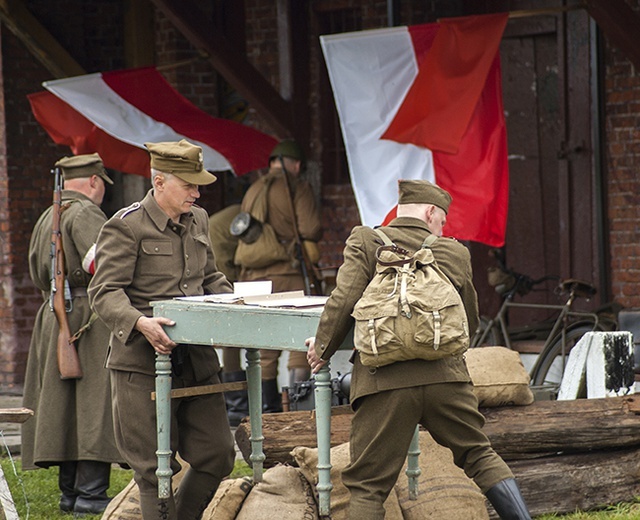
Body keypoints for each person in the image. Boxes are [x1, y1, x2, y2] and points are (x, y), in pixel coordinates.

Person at [305, 180, 532, 520]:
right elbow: (468, 323)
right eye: (442, 222)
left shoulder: (366, 241)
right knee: (479, 455)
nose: (442, 230)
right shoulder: (454, 252)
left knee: (367, 484)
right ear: (430, 213)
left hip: (384, 382)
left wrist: (322, 348)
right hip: (446, 381)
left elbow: (344, 300)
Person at [88, 140, 236, 520]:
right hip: (142, 363)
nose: (196, 192)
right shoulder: (126, 226)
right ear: (159, 182)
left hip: (197, 360)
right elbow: (104, 292)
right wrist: (139, 322)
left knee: (218, 454)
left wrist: (237, 304)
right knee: (156, 472)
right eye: (188, 185)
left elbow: (211, 277)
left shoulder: (199, 219)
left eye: (197, 185)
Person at [22, 153, 123, 515]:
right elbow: (104, 263)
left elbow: (36, 271)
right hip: (84, 318)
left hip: (54, 316)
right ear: (95, 181)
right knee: (94, 407)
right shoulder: (84, 213)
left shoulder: (48, 215)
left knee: (65, 408)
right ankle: (91, 495)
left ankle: (71, 494)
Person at [235, 139, 322, 412]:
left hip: (254, 281)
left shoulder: (253, 189)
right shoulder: (297, 186)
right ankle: (298, 410)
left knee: (264, 349)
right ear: (295, 164)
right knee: (301, 343)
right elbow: (310, 227)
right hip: (288, 275)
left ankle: (267, 414)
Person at [208, 203, 249, 426]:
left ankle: (235, 403)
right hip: (220, 264)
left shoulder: (231, 213)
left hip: (218, 259)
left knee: (228, 339)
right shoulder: (244, 216)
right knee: (231, 335)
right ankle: (236, 404)